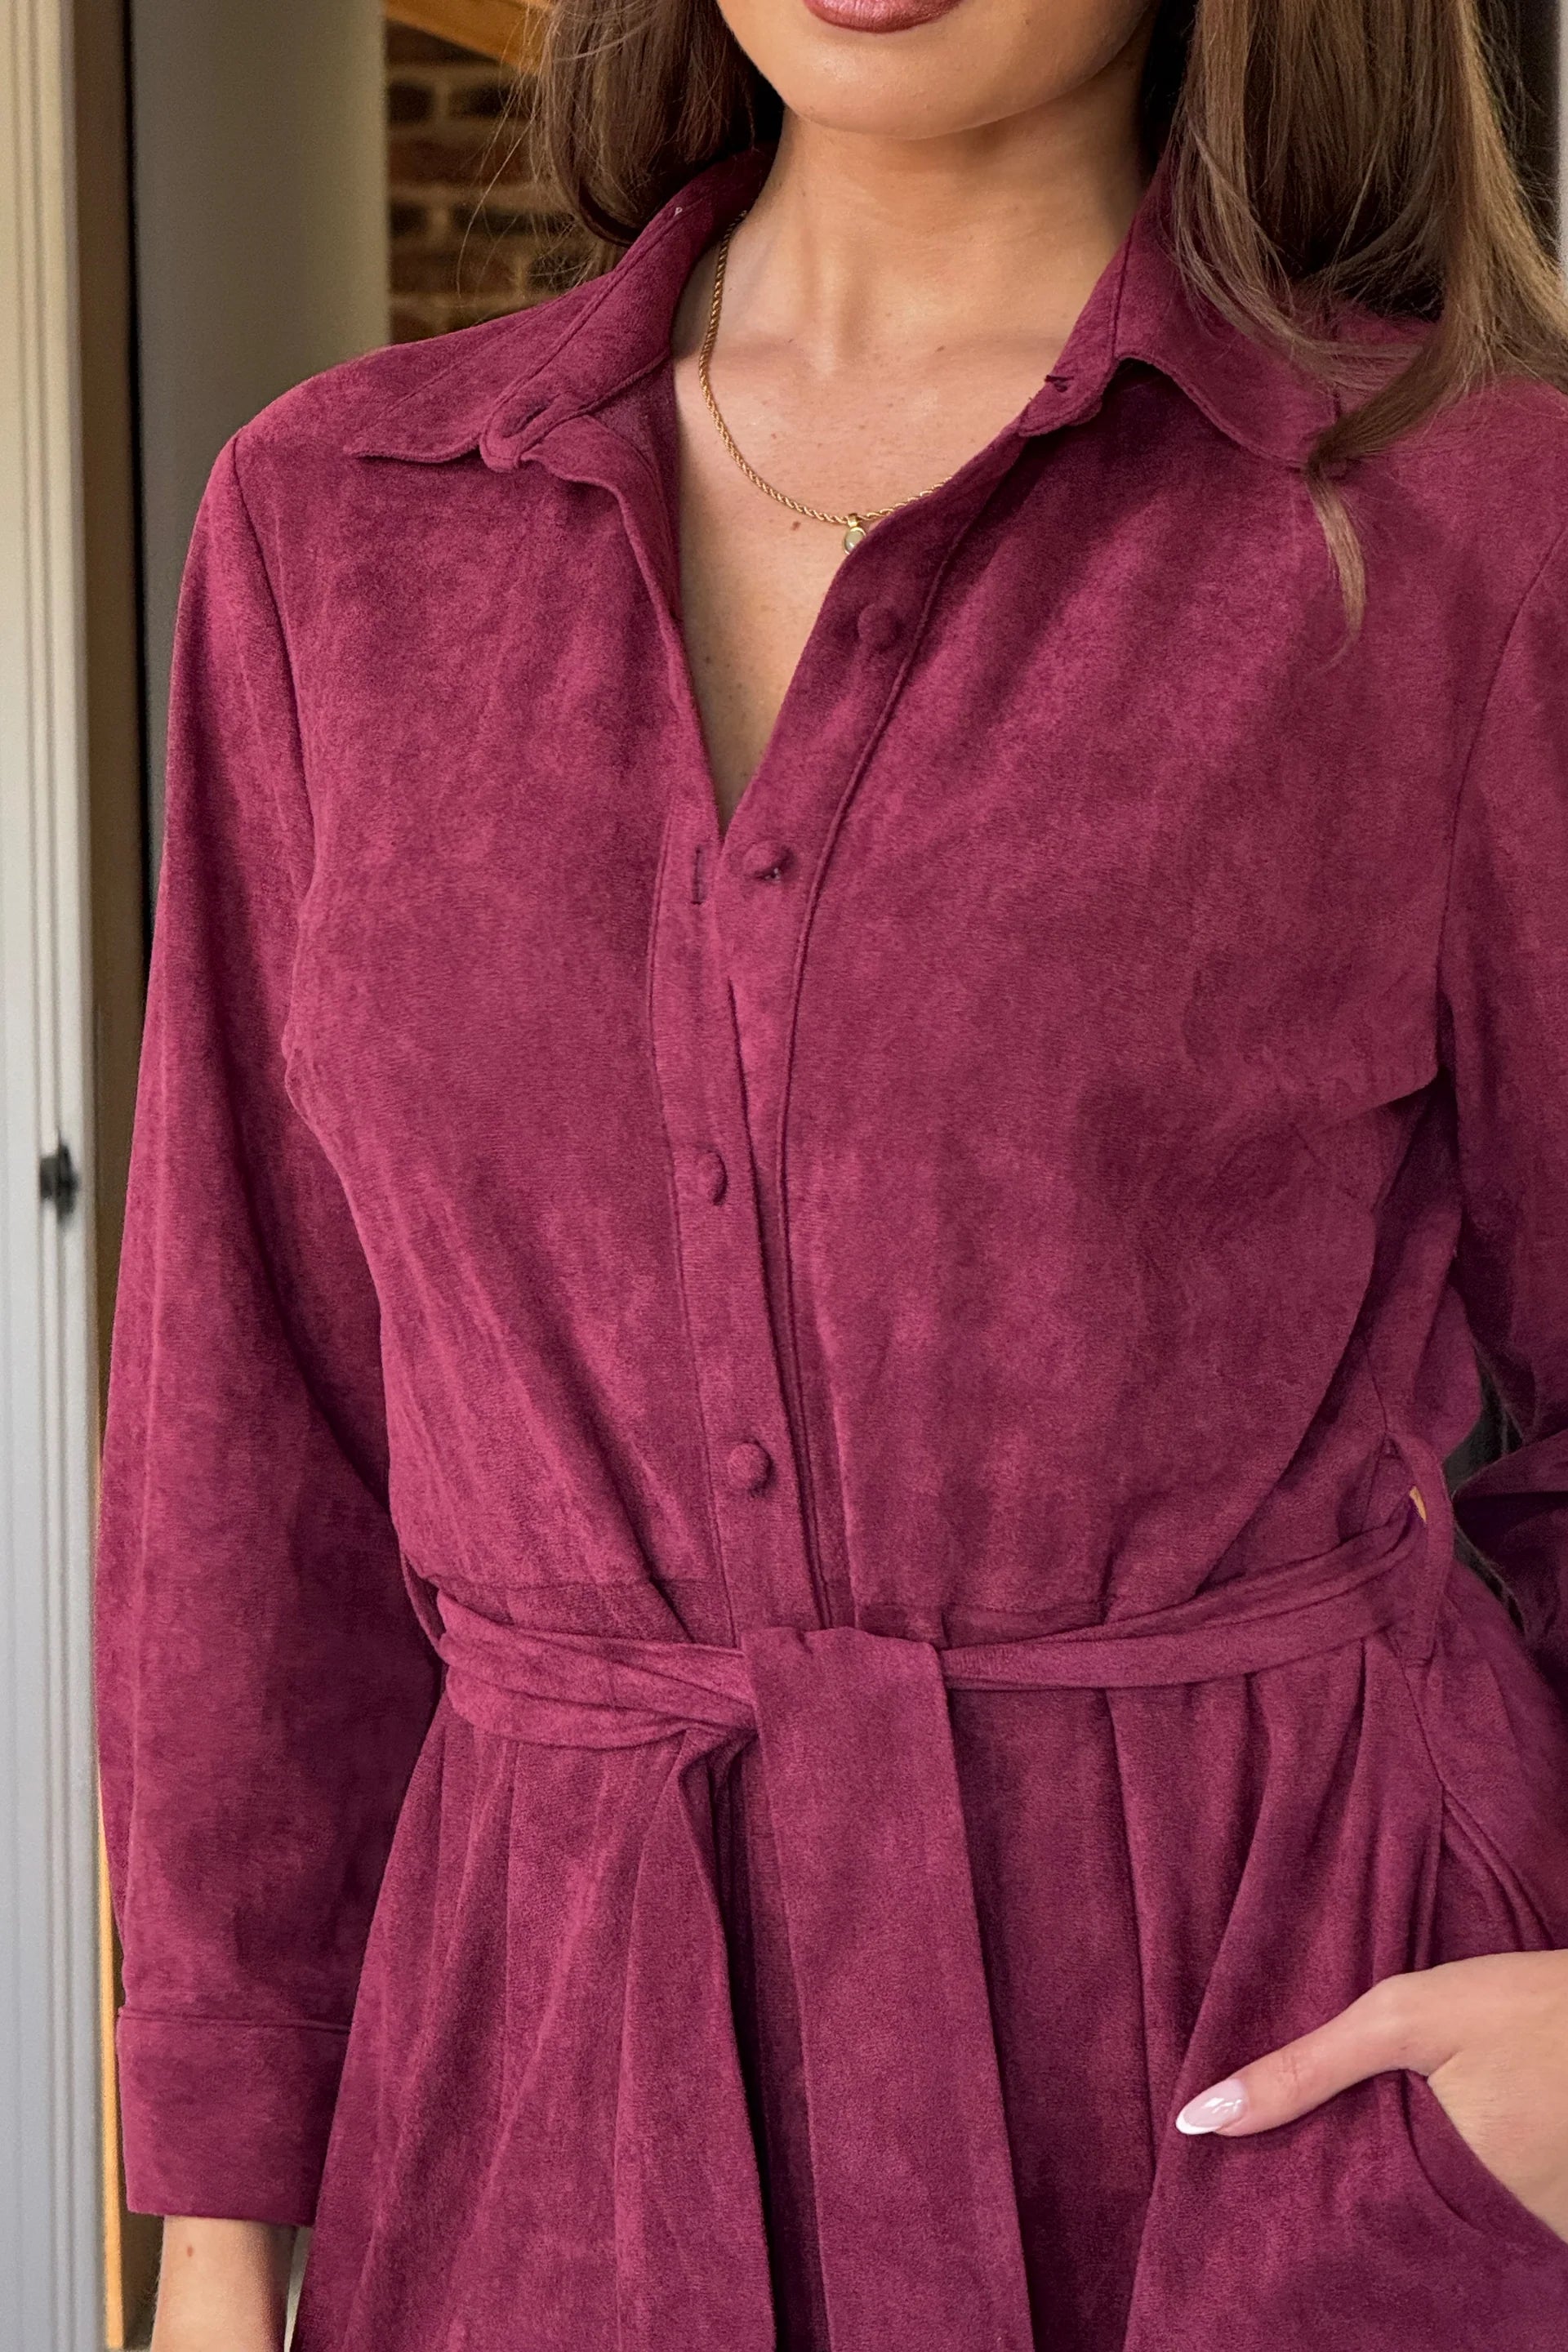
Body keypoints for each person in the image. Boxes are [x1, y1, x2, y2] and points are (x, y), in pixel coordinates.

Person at [95, 0, 1568, 2345]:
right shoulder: (337, 533)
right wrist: (214, 2239)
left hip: (1269, 2093)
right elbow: (248, 1447)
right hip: (543, 2122)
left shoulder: (1470, 521)